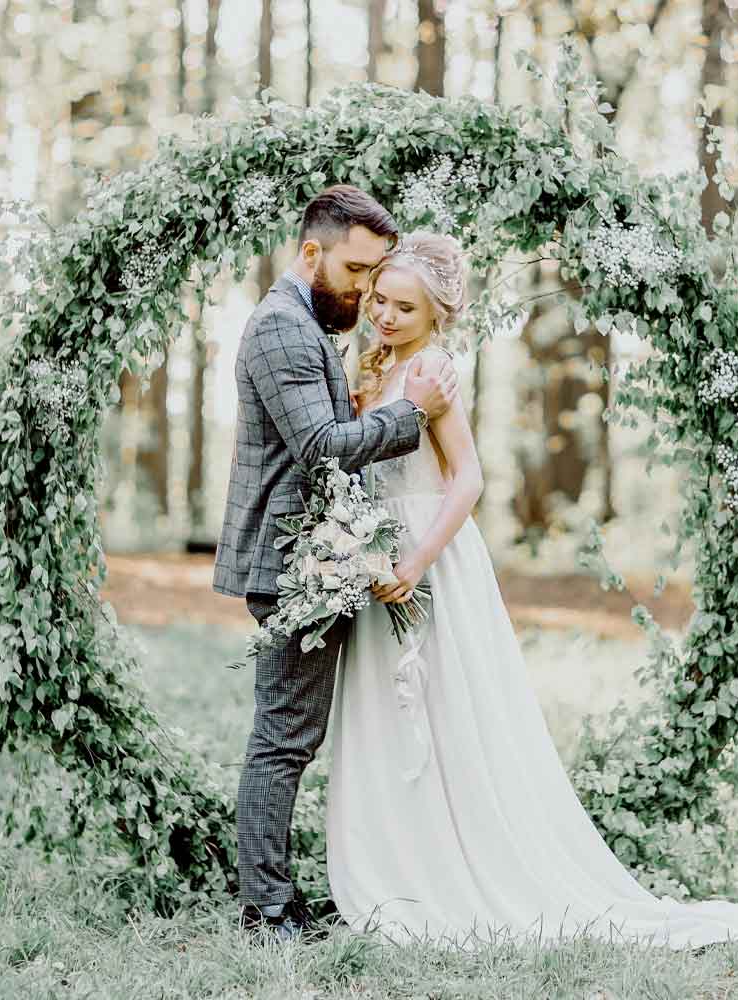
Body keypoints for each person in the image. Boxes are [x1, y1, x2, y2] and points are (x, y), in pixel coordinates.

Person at [324, 230, 738, 951]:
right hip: (373, 557)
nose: (385, 316)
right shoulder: (370, 365)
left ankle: (453, 866)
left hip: (428, 558)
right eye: (379, 300)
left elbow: (467, 480)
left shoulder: (430, 371)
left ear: (439, 316)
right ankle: (396, 859)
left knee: (444, 714)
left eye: (404, 307)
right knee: (388, 716)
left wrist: (416, 563)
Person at [211, 187, 460, 944]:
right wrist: (411, 412)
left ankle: (288, 895)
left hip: (316, 554)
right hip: (290, 561)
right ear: (311, 251)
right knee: (284, 738)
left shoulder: (310, 324)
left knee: (294, 734)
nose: (366, 291)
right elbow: (320, 446)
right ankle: (269, 911)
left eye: (377, 273)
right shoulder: (284, 328)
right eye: (356, 270)